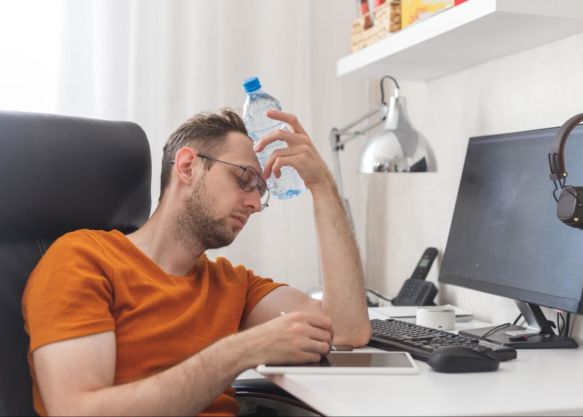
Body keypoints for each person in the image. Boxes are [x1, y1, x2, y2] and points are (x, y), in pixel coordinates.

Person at [22, 108, 371, 416]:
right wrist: (240, 350)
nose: (255, 203)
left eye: (260, 190)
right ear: (188, 166)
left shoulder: (232, 285)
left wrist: (321, 184)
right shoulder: (82, 259)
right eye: (245, 179)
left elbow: (347, 327)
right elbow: (77, 411)